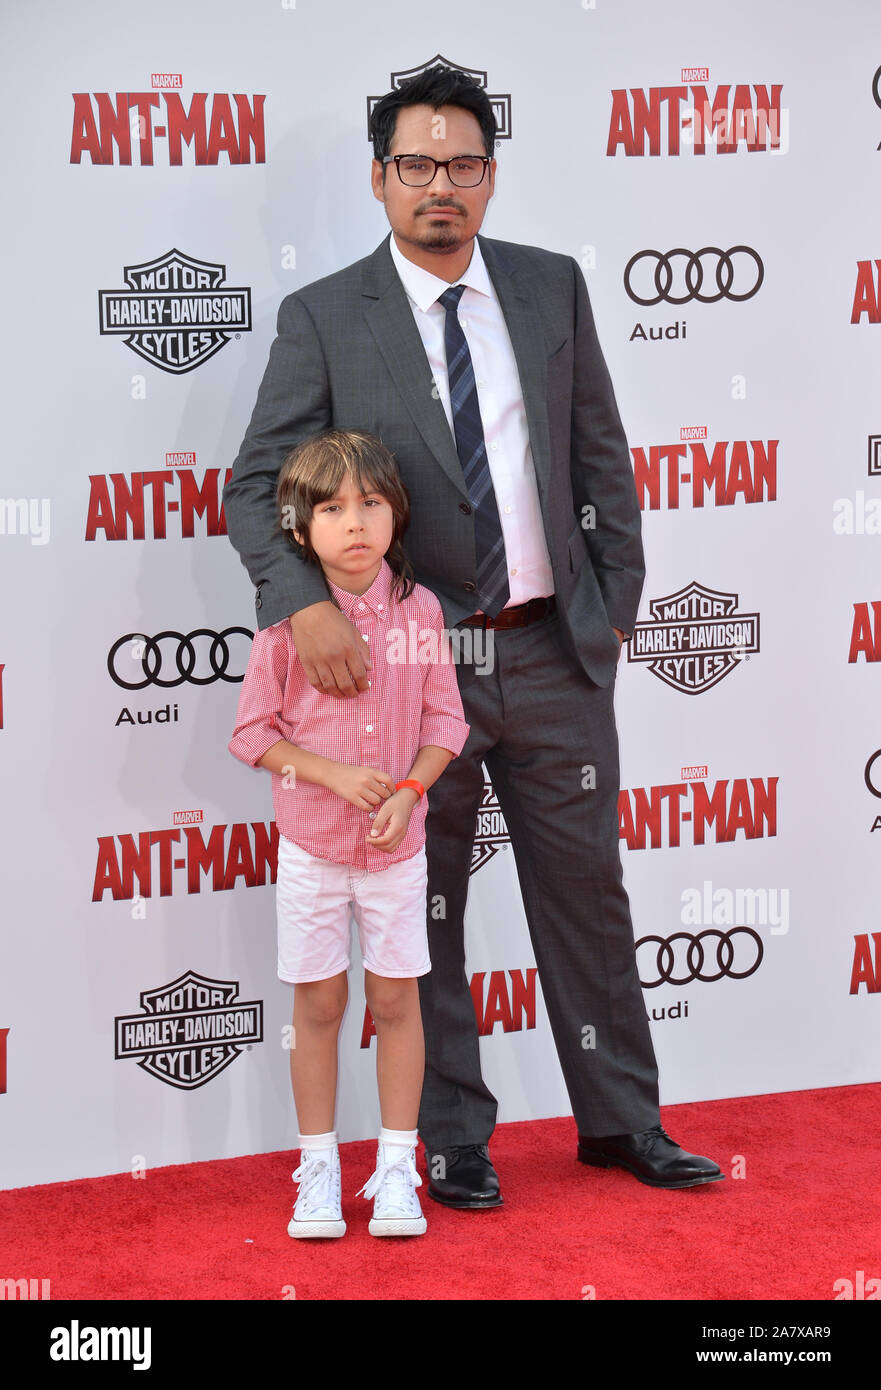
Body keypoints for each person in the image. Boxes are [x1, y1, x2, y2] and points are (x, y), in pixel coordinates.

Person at [223, 66, 723, 1207]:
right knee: (422, 907)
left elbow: (601, 459)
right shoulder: (325, 316)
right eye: (414, 165)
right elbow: (257, 486)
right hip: (408, 667)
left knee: (588, 895)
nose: (437, 186)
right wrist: (303, 604)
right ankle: (446, 1139)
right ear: (378, 179)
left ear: (488, 176)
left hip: (552, 649)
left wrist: (611, 608)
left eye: (460, 164)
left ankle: (620, 1121)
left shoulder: (550, 291)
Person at [228, 429, 470, 1237]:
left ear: (396, 513)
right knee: (321, 1003)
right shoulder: (285, 624)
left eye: (369, 504)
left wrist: (408, 791)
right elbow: (253, 734)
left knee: (397, 1000)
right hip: (311, 849)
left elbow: (444, 720)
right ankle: (319, 1171)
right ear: (298, 529)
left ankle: (397, 1169)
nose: (354, 523)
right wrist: (330, 775)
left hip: (396, 851)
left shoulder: (422, 609)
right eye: (331, 509)